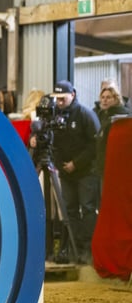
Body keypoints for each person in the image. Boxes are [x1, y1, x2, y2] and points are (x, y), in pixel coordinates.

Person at [50, 80, 101, 264]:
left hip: (86, 171)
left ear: (73, 95)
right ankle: (73, 249)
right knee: (69, 210)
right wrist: (60, 164)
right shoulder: (55, 116)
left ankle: (88, 250)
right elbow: (52, 143)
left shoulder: (85, 115)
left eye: (63, 98)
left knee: (87, 209)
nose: (60, 102)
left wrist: (76, 164)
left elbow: (94, 145)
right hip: (65, 172)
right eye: (57, 99)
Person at [94, 83, 131, 188]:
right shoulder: (104, 115)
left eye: (108, 97)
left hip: (116, 168)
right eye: (103, 97)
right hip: (104, 166)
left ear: (116, 99)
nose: (105, 100)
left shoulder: (121, 117)